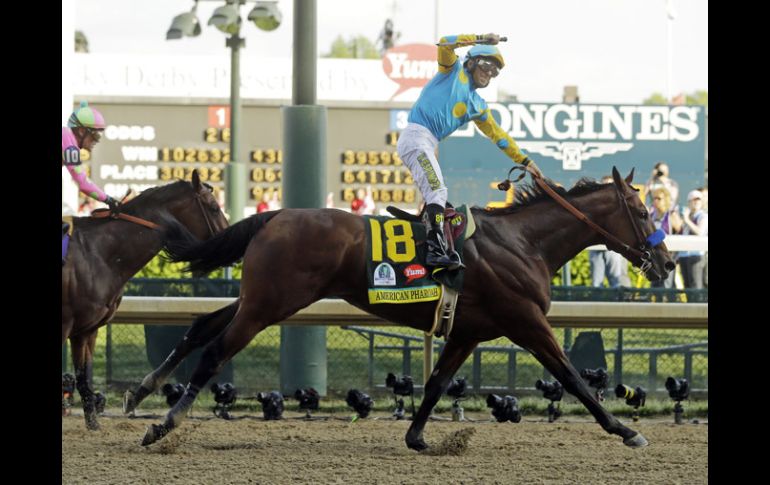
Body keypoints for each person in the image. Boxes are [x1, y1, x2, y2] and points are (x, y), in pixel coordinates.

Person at [396, 33, 542, 270]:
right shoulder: (451, 70)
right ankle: (434, 251)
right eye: (486, 65)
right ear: (471, 61)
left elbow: (499, 136)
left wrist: (525, 160)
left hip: (426, 142)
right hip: (416, 137)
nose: (490, 73)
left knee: (443, 203)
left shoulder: (477, 105)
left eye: (495, 71)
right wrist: (480, 38)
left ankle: (432, 238)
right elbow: (445, 42)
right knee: (437, 191)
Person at [62, 102, 118, 264]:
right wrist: (108, 200)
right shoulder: (69, 145)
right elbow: (83, 183)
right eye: (96, 135)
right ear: (81, 131)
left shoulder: (67, 139)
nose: (98, 140)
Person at [588, 177, 630, 288]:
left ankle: (621, 305)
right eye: (605, 185)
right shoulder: (594, 205)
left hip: (614, 249)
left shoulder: (623, 206)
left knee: (617, 282)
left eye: (611, 185)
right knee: (596, 285)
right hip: (596, 249)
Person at [648, 187, 683, 289]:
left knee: (667, 285)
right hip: (654, 257)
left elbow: (680, 232)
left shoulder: (671, 215)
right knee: (654, 284)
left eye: (659, 198)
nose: (655, 201)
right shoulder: (651, 215)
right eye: (654, 198)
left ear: (666, 200)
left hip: (668, 257)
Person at [678, 190, 708, 289]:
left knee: (696, 286)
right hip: (683, 255)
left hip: (697, 256)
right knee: (687, 286)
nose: (696, 202)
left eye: (698, 199)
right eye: (693, 199)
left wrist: (686, 220)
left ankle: (698, 305)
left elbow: (700, 232)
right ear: (689, 202)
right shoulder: (686, 216)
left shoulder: (703, 216)